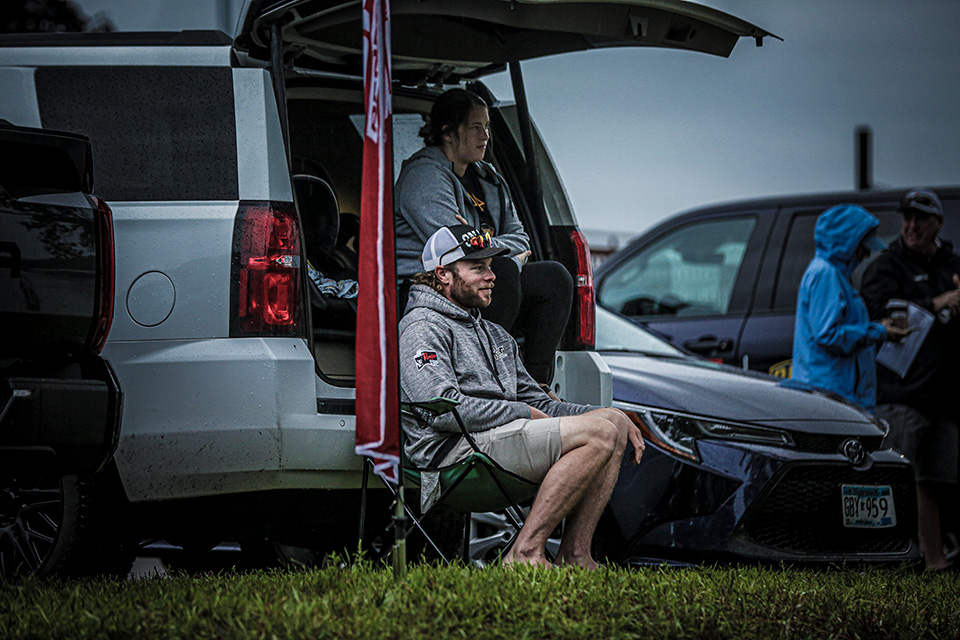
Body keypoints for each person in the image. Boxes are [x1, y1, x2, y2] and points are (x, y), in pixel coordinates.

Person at [399, 224, 644, 569]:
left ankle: (576, 556)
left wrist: (605, 412)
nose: (492, 276)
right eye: (478, 268)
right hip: (451, 455)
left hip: (496, 443)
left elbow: (539, 402)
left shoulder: (495, 334)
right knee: (599, 434)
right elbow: (441, 410)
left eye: (490, 266)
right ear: (443, 274)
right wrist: (522, 413)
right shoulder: (422, 327)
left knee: (611, 424)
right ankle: (524, 553)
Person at [394, 88, 572, 386]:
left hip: (472, 282)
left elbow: (520, 237)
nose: (485, 135)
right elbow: (456, 248)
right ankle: (486, 381)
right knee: (502, 270)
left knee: (554, 278)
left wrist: (483, 245)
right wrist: (505, 257)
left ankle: (534, 384)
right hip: (429, 287)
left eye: (487, 126)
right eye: (475, 127)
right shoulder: (423, 176)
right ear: (448, 133)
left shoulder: (489, 177)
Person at [860, 188, 960, 571]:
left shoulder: (952, 264)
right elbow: (876, 318)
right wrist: (936, 302)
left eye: (921, 218)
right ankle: (890, 560)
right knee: (896, 479)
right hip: (900, 395)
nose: (911, 226)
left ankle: (934, 560)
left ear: (939, 223)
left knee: (934, 480)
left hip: (944, 397)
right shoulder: (887, 266)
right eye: (907, 218)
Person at [791, 203, 907, 411]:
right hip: (830, 396)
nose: (866, 255)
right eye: (864, 247)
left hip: (836, 394)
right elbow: (828, 335)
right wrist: (878, 331)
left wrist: (876, 328)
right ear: (848, 243)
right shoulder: (825, 274)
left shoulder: (834, 275)